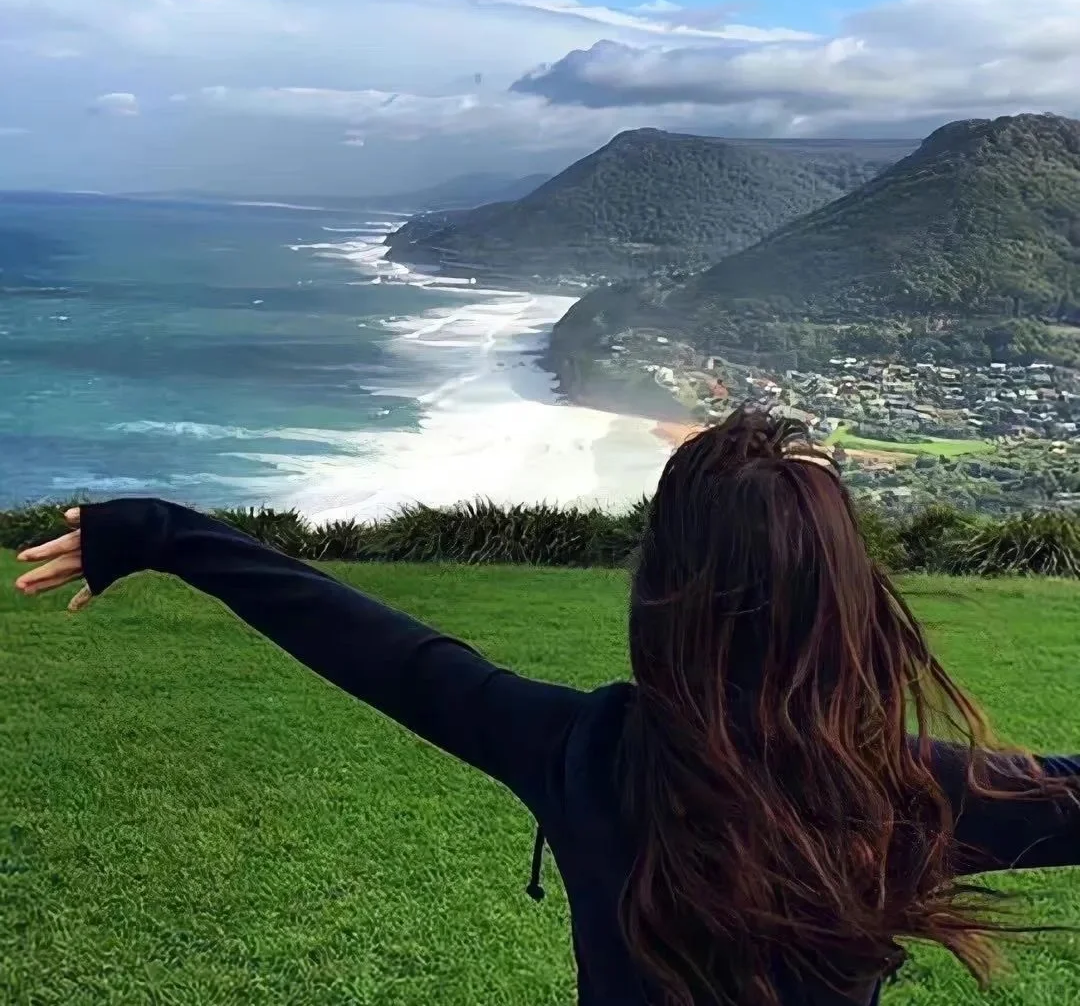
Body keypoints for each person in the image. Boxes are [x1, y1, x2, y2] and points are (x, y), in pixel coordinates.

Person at [13, 407, 1080, 1006]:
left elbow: (374, 643)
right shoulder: (916, 793)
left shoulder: (589, 755)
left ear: (659, 591)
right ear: (847, 601)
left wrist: (161, 533)